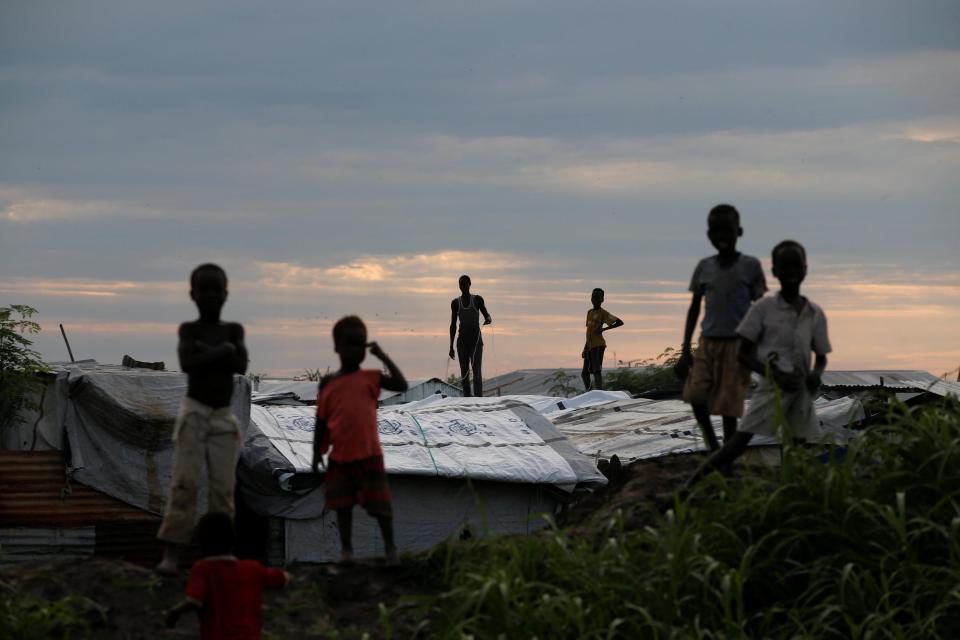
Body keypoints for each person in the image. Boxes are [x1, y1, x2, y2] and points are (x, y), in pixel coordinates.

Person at [684, 240, 831, 487]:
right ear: (774, 272)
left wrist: (815, 374)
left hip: (800, 390)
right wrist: (772, 373)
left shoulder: (814, 313)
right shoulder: (764, 308)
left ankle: (791, 493)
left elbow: (822, 356)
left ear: (805, 269)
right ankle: (690, 486)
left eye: (795, 266)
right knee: (738, 442)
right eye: (784, 267)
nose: (791, 272)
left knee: (798, 446)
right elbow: (742, 352)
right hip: (771, 388)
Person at [156, 264, 248, 575]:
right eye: (204, 290)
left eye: (215, 290)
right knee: (184, 483)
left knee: (223, 490)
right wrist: (222, 351)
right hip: (194, 412)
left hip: (223, 417)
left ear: (226, 294)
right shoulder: (189, 330)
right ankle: (171, 554)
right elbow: (187, 364)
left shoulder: (233, 330)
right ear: (192, 295)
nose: (210, 296)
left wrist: (212, 350)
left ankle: (218, 556)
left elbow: (241, 365)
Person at [312, 316, 407, 565]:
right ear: (337, 346)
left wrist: (382, 355)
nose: (354, 350)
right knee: (343, 506)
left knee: (381, 505)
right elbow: (321, 420)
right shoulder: (328, 383)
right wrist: (315, 454)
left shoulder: (371, 378)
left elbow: (401, 384)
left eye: (359, 344)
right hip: (339, 456)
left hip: (369, 454)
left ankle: (390, 550)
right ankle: (347, 552)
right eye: (349, 344)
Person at [676, 205, 766, 451]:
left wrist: (761, 346)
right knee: (695, 395)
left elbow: (761, 309)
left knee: (728, 407)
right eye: (716, 231)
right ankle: (712, 444)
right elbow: (695, 308)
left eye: (727, 230)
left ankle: (727, 455)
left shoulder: (750, 266)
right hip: (707, 343)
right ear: (709, 236)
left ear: (739, 231)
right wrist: (686, 349)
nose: (722, 236)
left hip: (739, 346)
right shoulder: (705, 267)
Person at [164, 512, 289, 639]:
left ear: (201, 542)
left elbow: (194, 601)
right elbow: (282, 578)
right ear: (233, 539)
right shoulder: (252, 568)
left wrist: (174, 612)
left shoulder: (203, 568)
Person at [448, 275, 492, 397]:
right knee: (464, 373)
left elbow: (487, 315)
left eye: (465, 284)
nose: (463, 286)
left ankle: (478, 400)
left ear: (470, 284)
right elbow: (453, 325)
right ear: (459, 286)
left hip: (476, 341)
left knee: (476, 372)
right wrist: (451, 346)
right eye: (461, 284)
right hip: (462, 342)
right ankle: (467, 400)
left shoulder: (477, 300)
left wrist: (488, 319)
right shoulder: (455, 303)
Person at [581, 288, 624, 391]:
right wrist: (585, 348)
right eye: (593, 297)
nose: (595, 299)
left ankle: (599, 392)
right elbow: (588, 332)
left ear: (602, 299)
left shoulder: (603, 313)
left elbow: (619, 322)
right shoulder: (589, 312)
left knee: (596, 370)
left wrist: (604, 329)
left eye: (597, 297)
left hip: (598, 345)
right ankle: (589, 392)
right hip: (589, 345)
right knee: (584, 373)